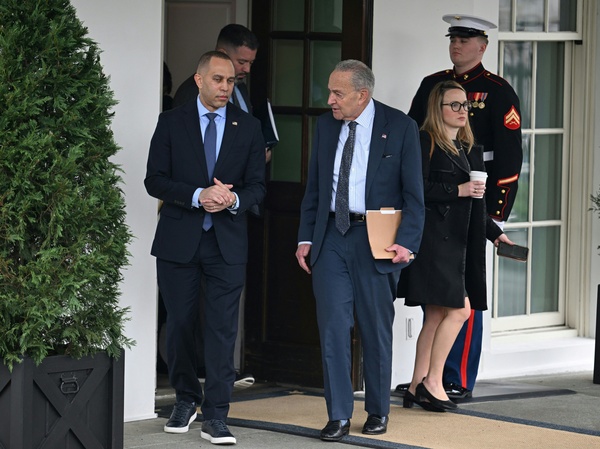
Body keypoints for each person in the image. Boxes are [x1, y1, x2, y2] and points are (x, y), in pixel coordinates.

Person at [295, 60, 424, 442]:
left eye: (337, 93)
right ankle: (337, 414)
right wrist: (305, 237)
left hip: (378, 239)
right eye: (330, 91)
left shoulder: (400, 127)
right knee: (333, 327)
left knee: (375, 329)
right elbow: (314, 187)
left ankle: (378, 410)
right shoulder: (324, 125)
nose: (329, 100)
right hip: (331, 236)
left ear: (361, 95)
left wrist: (408, 242)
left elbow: (415, 195)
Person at [397, 13, 523, 399]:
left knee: (465, 299)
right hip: (437, 208)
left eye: (466, 40)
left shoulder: (498, 90)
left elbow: (509, 155)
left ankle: (455, 376)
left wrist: (493, 215)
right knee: (438, 302)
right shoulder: (432, 86)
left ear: (482, 46)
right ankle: (426, 377)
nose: (457, 45)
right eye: (454, 39)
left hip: (473, 203)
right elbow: (411, 143)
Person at [145, 51, 266, 445]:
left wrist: (232, 200)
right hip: (180, 242)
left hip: (227, 244)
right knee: (179, 325)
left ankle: (216, 415)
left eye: (231, 81)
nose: (225, 88)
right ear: (198, 80)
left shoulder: (248, 127)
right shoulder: (171, 122)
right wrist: (199, 194)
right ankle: (184, 398)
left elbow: (257, 187)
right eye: (218, 80)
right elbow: (155, 181)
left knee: (221, 330)